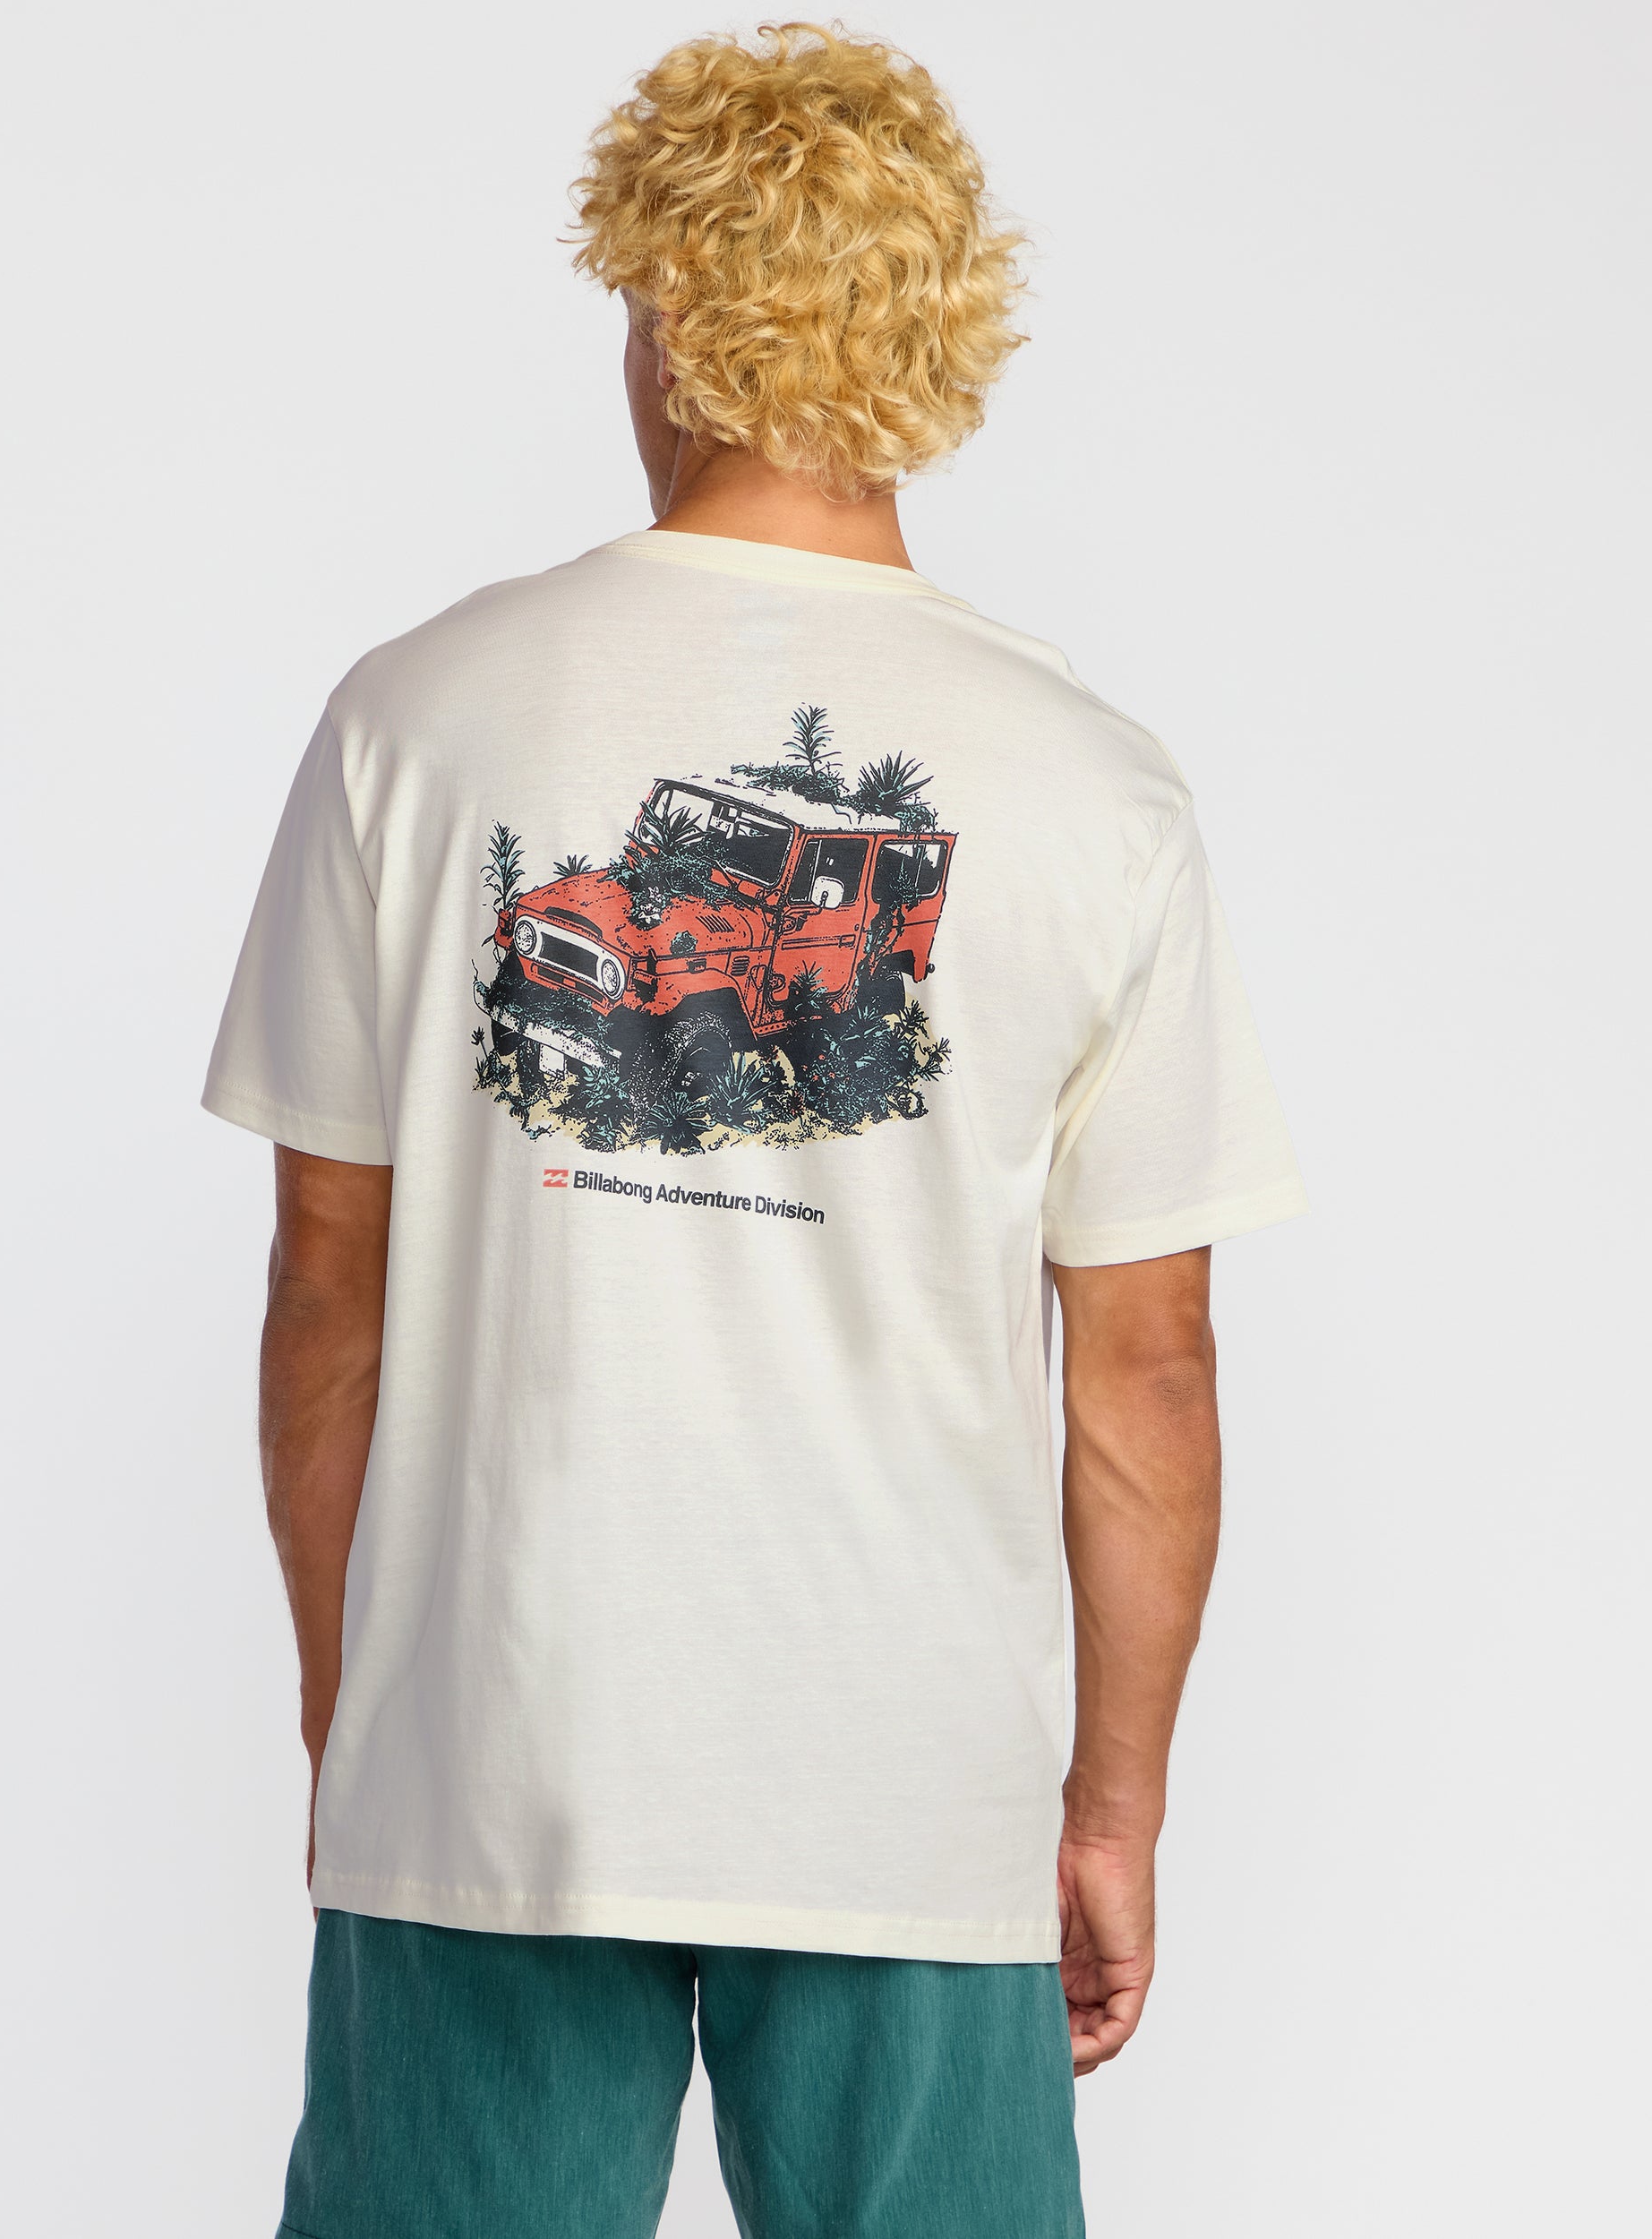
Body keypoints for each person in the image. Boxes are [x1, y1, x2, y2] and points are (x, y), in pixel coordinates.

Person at [203, 24, 1305, 2239]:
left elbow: (331, 1282)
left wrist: (360, 1714)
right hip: (913, 1780)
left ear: (659, 314)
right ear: (938, 329)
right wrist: (1109, 1810)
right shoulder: (1096, 781)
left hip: (492, 1750)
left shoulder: (416, 712)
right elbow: (1148, 1362)